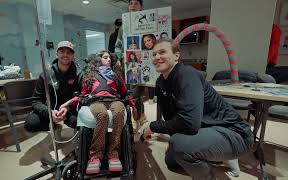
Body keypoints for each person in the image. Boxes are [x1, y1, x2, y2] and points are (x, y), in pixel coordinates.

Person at [142, 39, 254, 180]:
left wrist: (154, 126)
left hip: (234, 132)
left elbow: (189, 123)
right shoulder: (160, 82)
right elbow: (172, 119)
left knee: (180, 146)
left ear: (176, 56)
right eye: (154, 54)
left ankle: (214, 170)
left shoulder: (186, 74)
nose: (157, 57)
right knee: (172, 161)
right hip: (205, 128)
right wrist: (172, 140)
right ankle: (212, 151)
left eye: (162, 52)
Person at [59, 50, 137, 174]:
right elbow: (83, 94)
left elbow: (124, 93)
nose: (109, 59)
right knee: (103, 115)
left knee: (119, 112)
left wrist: (134, 108)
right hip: (96, 101)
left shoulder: (117, 75)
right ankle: (95, 156)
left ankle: (113, 154)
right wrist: (68, 103)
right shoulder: (90, 75)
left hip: (114, 100)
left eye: (110, 58)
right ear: (99, 59)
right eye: (105, 57)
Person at [24, 41, 83, 133]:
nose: (65, 55)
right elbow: (36, 101)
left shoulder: (79, 74)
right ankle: (55, 125)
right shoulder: (46, 75)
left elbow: (83, 96)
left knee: (81, 122)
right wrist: (49, 113)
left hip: (70, 110)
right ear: (57, 54)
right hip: (50, 110)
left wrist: (68, 108)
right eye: (62, 51)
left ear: (73, 56)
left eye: (69, 52)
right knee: (31, 124)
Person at [115, 0, 149, 129]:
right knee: (128, 93)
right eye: (131, 4)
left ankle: (137, 119)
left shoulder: (146, 24)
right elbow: (118, 45)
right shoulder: (123, 27)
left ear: (141, 7)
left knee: (135, 94)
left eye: (136, 3)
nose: (133, 6)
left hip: (138, 65)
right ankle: (140, 116)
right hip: (126, 64)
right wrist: (118, 57)